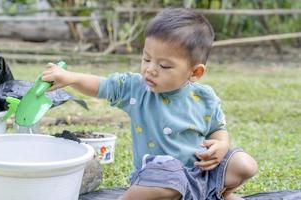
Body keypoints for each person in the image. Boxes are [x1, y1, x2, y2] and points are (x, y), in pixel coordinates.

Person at [42, 8, 257, 200]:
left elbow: (217, 129)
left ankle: (217, 193)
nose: (150, 69)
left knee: (245, 164)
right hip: (159, 178)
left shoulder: (204, 98)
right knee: (168, 175)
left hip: (201, 174)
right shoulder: (136, 89)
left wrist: (221, 145)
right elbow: (102, 85)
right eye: (146, 59)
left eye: (164, 65)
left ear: (195, 72)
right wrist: (71, 78)